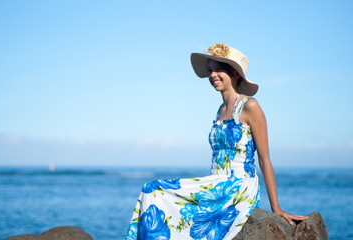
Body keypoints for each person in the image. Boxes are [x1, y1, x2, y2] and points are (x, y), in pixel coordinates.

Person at [126, 43, 308, 240]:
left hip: (238, 186)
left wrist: (276, 208)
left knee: (153, 189)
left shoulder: (250, 106)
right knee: (150, 190)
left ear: (236, 74)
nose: (213, 75)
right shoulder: (220, 111)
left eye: (219, 69)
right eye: (211, 70)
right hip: (216, 183)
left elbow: (264, 160)